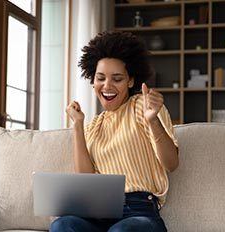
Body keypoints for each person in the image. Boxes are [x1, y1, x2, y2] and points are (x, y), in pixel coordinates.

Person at [50, 31, 179, 232]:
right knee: (62, 225)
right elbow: (85, 179)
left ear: (130, 81)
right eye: (100, 78)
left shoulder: (143, 108)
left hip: (139, 211)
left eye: (117, 79)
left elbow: (171, 163)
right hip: (97, 211)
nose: (107, 86)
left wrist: (153, 120)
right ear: (93, 80)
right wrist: (77, 125)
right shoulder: (93, 126)